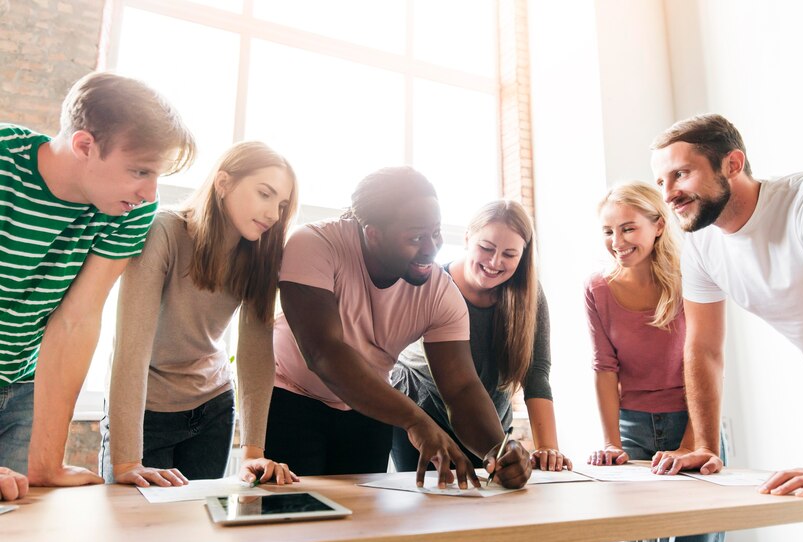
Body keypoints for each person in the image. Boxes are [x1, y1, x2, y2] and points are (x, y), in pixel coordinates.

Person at [264, 166, 532, 489]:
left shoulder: (439, 293)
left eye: (435, 233)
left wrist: (499, 449)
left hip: (367, 409)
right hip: (291, 397)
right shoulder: (315, 244)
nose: (431, 248)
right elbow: (325, 353)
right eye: (416, 237)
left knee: (362, 527)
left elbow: (461, 388)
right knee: (292, 524)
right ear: (372, 233)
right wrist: (414, 419)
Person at [0, 72, 195, 500]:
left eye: (157, 175)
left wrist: (47, 464)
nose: (149, 192)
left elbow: (78, 319)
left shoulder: (127, 209)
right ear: (85, 146)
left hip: (23, 384)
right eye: (140, 171)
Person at [100, 142, 299, 488]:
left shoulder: (260, 256)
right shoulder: (163, 231)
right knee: (133, 534)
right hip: (146, 414)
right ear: (223, 183)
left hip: (213, 411)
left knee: (197, 535)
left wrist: (253, 451)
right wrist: (128, 460)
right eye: (264, 194)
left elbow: (254, 353)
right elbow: (131, 349)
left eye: (281, 205)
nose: (273, 214)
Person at [649, 113, 803, 497]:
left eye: (681, 174)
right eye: (661, 181)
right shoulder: (701, 244)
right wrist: (705, 446)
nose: (668, 194)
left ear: (732, 164)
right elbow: (704, 347)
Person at [586, 181, 724, 542]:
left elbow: (706, 360)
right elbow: (604, 368)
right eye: (608, 231)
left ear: (658, 225)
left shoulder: (691, 277)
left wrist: (692, 442)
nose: (617, 241)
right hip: (633, 429)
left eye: (628, 228)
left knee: (695, 541)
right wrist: (611, 443)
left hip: (691, 419)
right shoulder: (597, 289)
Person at [391, 200, 570, 473]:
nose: (495, 262)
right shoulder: (432, 284)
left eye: (509, 254)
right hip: (423, 417)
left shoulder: (528, 295)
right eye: (486, 248)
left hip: (489, 424)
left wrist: (548, 449)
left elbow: (536, 372)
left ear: (523, 256)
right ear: (466, 238)